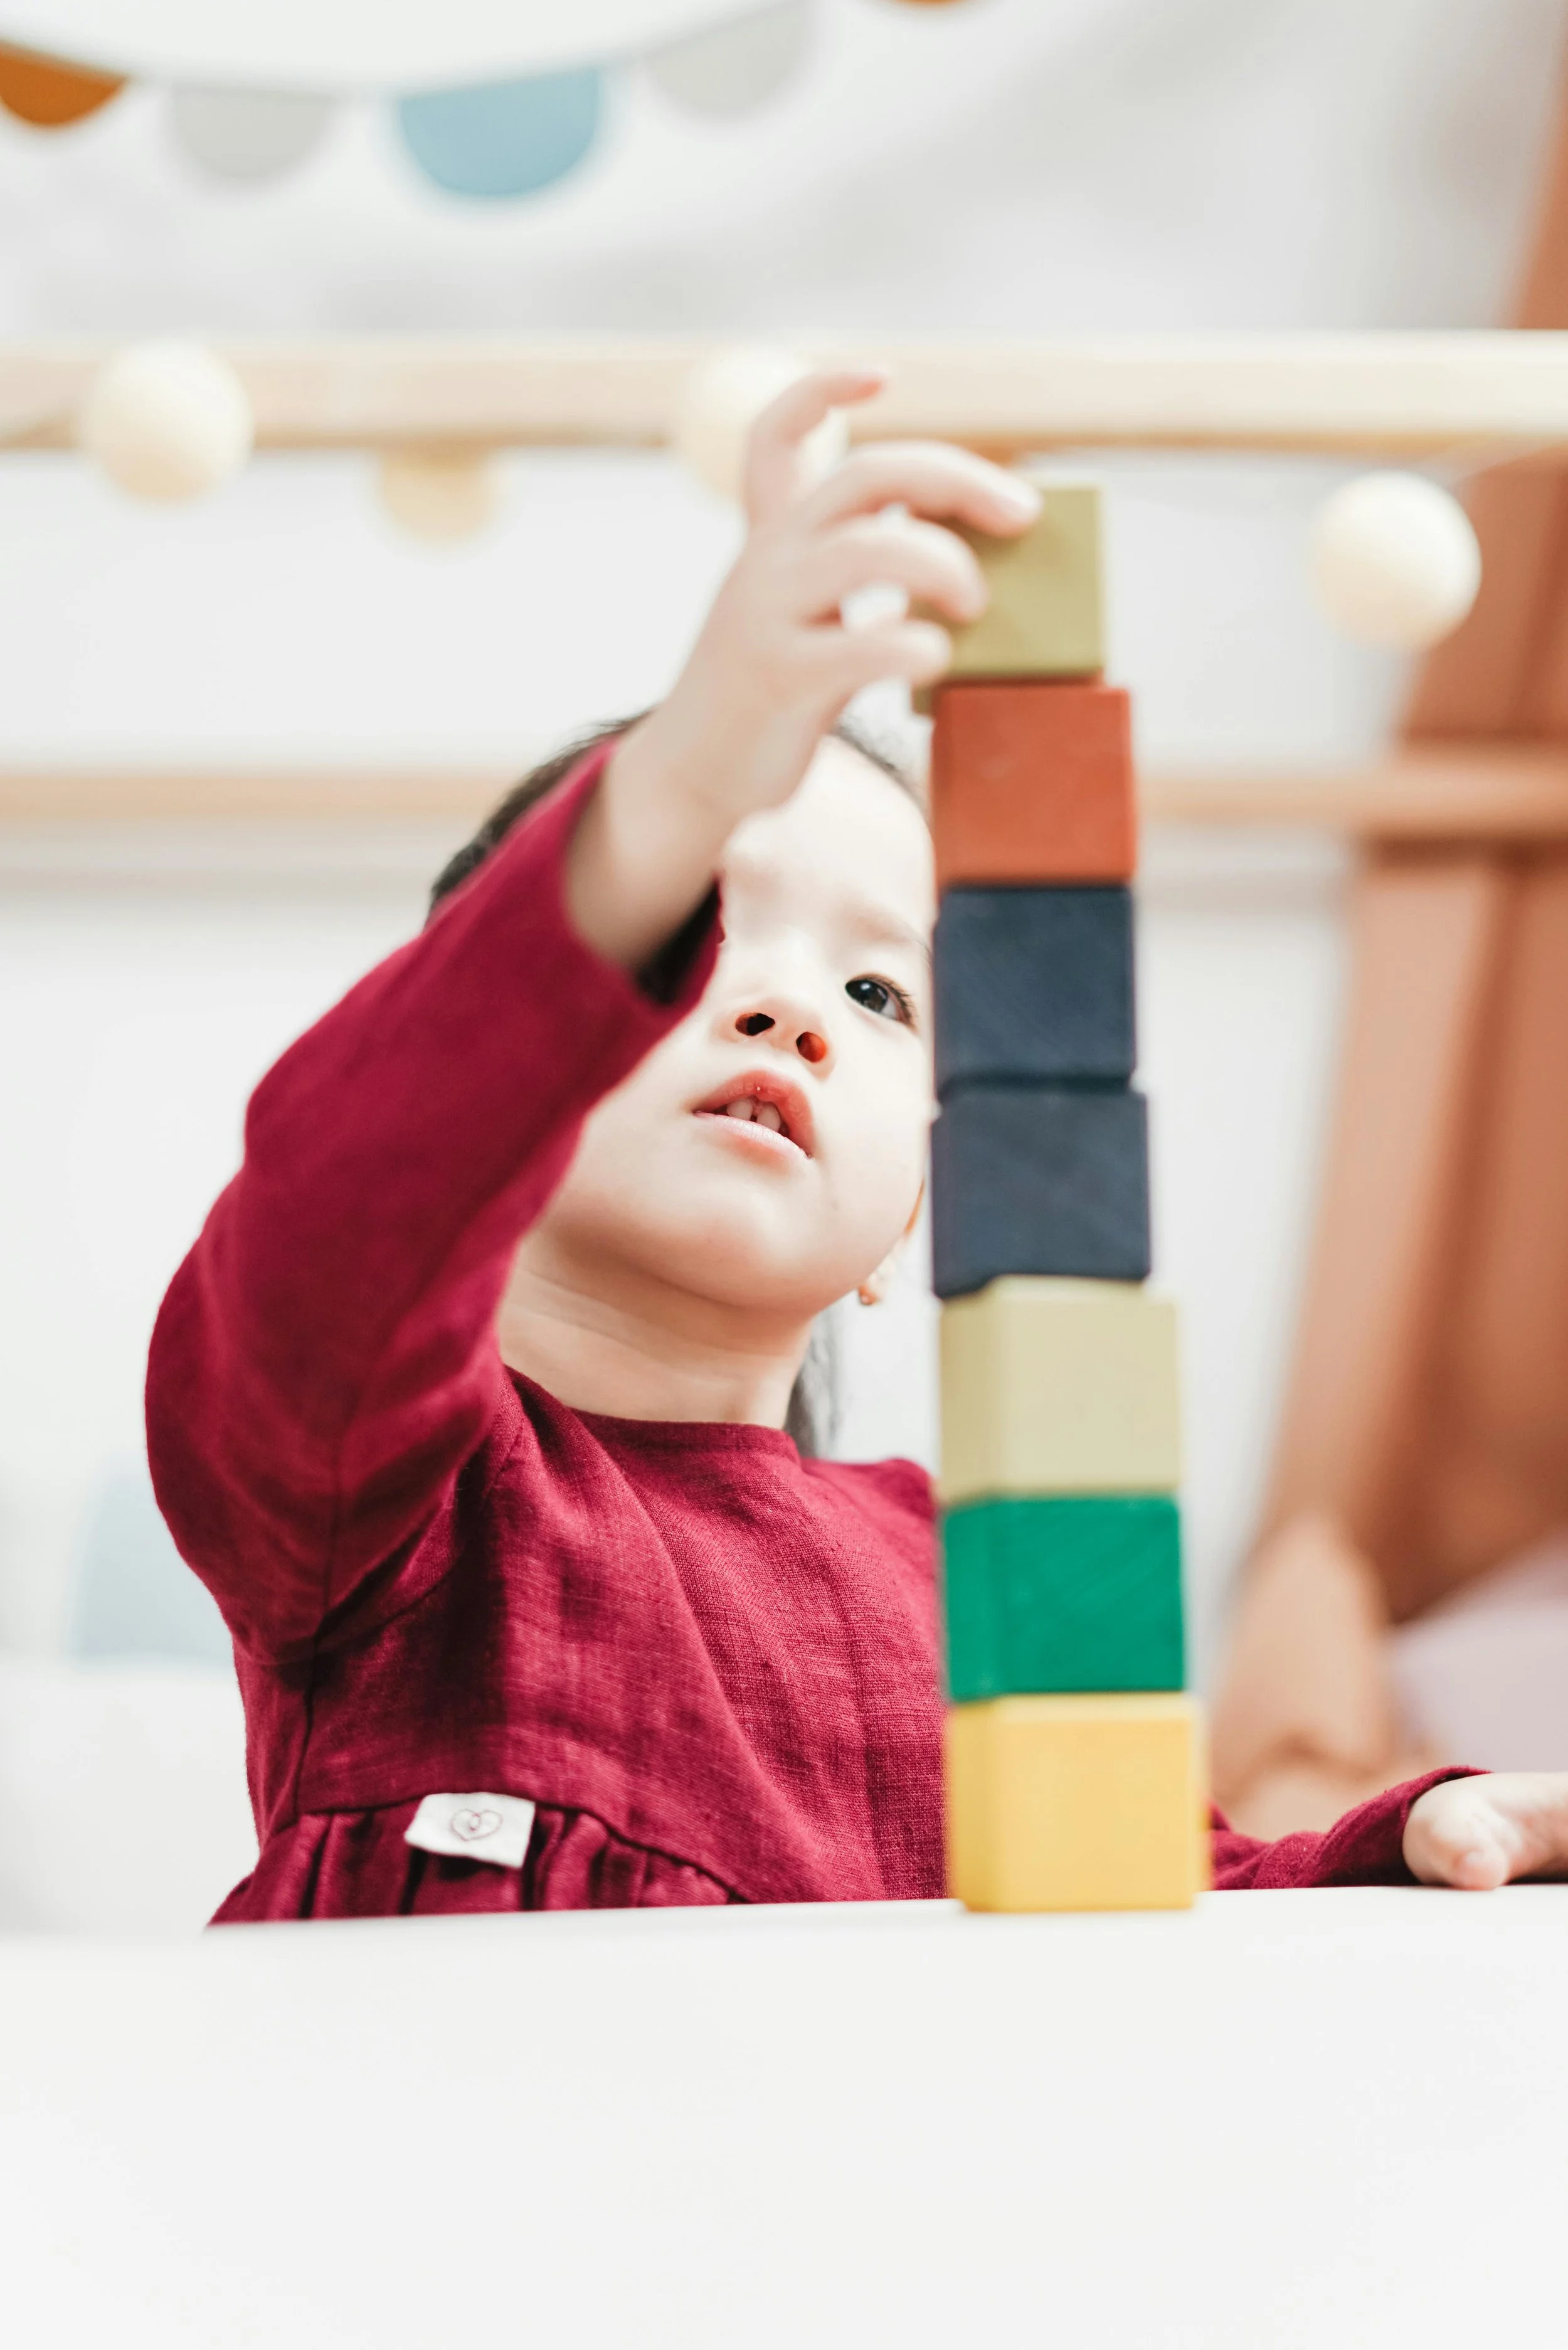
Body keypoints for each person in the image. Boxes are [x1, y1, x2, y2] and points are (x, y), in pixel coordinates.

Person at [147, 369, 1568, 1920]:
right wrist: (688, 770)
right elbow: (342, 1200)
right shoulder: (390, 1498)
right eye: (693, 925)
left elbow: (1167, 1882)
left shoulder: (956, 1574)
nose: (787, 1011)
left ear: (909, 1226)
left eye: (877, 990)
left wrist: (1404, 1839)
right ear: (500, 1070)